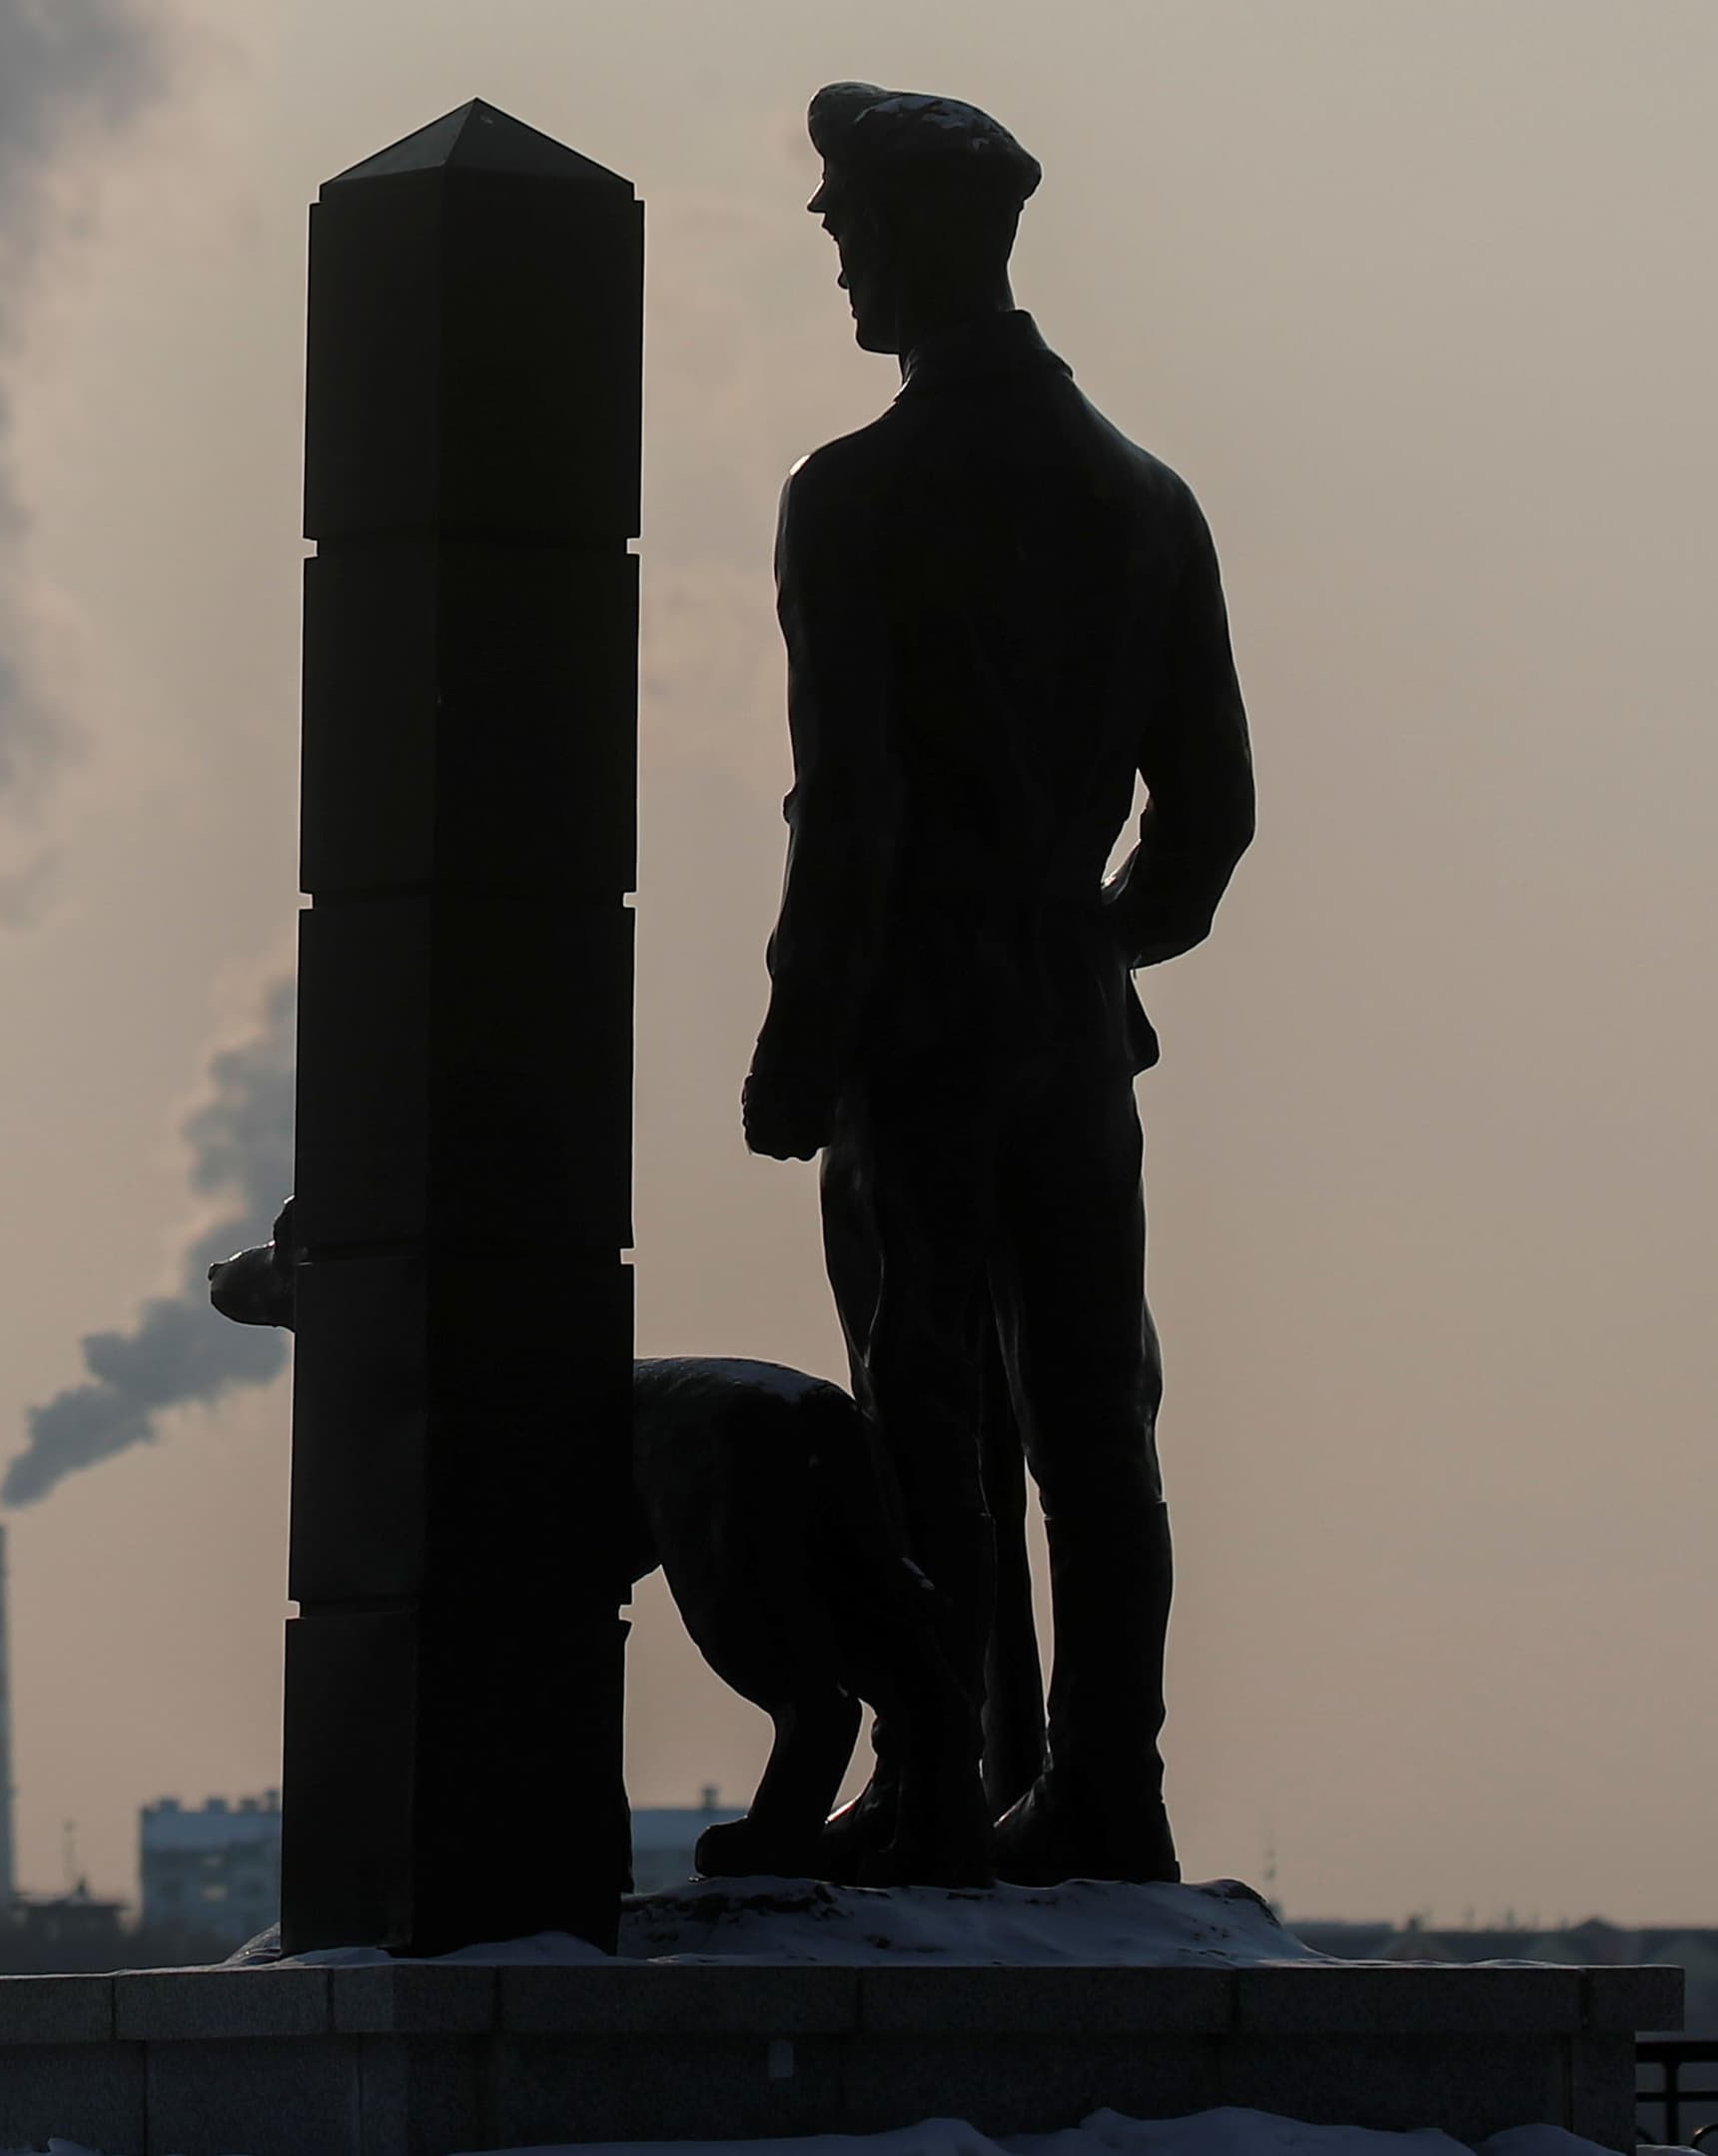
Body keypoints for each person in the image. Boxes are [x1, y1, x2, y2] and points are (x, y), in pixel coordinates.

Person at [744, 83, 1255, 1884]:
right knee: (1097, 1417)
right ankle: (1109, 1788)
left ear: (919, 233)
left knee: (925, 1398)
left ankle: (939, 1781)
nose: (839, 258)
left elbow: (856, 803)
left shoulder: (856, 496)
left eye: (847, 225)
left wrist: (804, 1042)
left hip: (922, 1016)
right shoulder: (1146, 499)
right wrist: (1084, 942)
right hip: (1068, 1018)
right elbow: (1209, 828)